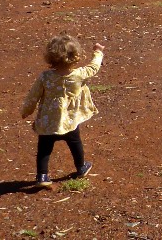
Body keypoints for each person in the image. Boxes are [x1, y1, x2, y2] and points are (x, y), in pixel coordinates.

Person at [21, 35, 105, 187]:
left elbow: (33, 96)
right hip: (70, 121)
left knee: (44, 148)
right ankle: (81, 167)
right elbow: (94, 67)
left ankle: (42, 176)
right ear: (76, 56)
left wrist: (26, 110)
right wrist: (98, 52)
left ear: (50, 58)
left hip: (48, 122)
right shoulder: (79, 74)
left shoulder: (45, 77)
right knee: (75, 143)